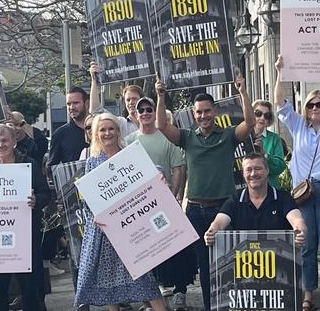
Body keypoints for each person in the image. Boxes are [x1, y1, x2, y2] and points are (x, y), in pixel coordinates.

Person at [155, 73, 255, 310]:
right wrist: (160, 96)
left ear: (215, 112)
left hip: (225, 208)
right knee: (204, 263)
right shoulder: (188, 138)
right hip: (196, 211)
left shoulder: (228, 135)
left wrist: (243, 91)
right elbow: (161, 125)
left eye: (207, 111)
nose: (203, 116)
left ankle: (231, 304)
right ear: (193, 114)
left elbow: (250, 123)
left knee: (230, 260)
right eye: (198, 112)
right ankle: (212, 306)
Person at [73, 113, 167, 310]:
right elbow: (90, 198)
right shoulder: (92, 162)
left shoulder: (130, 155)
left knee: (146, 280)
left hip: (133, 227)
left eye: (111, 128)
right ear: (96, 134)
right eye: (102, 129)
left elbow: (150, 175)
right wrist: (96, 216)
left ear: (118, 131)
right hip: (105, 231)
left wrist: (159, 175)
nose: (107, 133)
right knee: (110, 285)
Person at [274, 55, 320, 311]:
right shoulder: (298, 126)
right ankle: (307, 293)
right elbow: (280, 103)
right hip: (302, 192)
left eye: (319, 105)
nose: (314, 108)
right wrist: (281, 72)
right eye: (310, 105)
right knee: (306, 244)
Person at [125, 97, 192, 310]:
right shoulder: (128, 141)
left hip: (166, 205)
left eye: (149, 109)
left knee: (177, 249)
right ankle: (153, 297)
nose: (145, 113)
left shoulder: (166, 139)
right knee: (148, 253)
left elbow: (179, 167)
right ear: (135, 114)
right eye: (140, 110)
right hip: (141, 206)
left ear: (155, 113)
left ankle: (180, 290)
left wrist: (173, 195)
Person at [0, 124, 50, 311]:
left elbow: (45, 193)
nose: (1, 145)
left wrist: (37, 200)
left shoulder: (28, 164)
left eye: (4, 140)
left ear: (14, 141)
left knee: (30, 288)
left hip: (25, 236)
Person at [204, 152, 307, 246]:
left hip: (279, 261)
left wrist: (300, 231)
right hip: (243, 262)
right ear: (243, 174)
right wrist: (212, 231)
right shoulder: (235, 199)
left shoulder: (283, 198)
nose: (253, 174)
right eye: (248, 170)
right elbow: (219, 221)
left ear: (267, 171)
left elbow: (297, 219)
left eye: (258, 169)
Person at [89, 61, 140, 137]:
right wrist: (94, 80)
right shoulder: (121, 123)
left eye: (134, 99)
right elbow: (95, 110)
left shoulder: (153, 121)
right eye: (128, 100)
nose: (131, 102)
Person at [47, 87, 91, 172]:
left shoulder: (100, 129)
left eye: (76, 103)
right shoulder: (60, 134)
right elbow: (51, 167)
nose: (71, 107)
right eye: (68, 104)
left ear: (86, 103)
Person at [251, 100, 286, 190]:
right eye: (258, 113)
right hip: (247, 191)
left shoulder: (275, 139)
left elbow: (280, 167)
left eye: (266, 115)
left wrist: (264, 154)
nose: (262, 118)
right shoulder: (242, 136)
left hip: (270, 189)